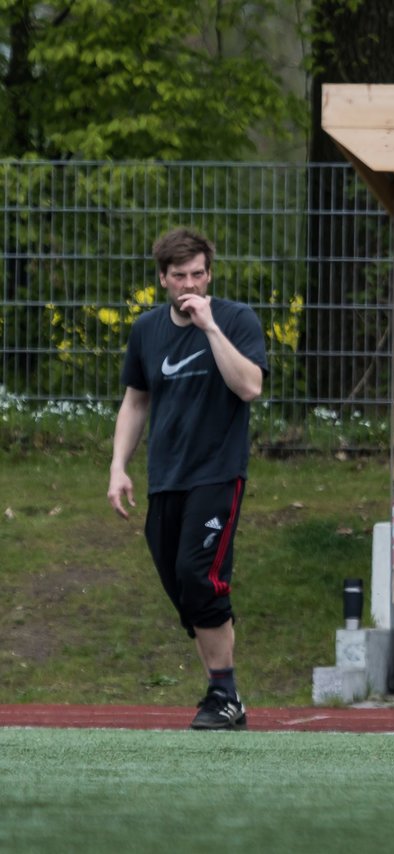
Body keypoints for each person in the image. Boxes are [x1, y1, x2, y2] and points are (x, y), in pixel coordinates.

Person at [107, 227, 267, 731]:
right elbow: (135, 401)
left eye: (198, 274)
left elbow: (249, 387)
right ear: (162, 279)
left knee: (201, 577)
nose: (190, 284)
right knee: (184, 588)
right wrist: (118, 467)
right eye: (180, 276)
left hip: (217, 473)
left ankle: (224, 693)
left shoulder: (236, 320)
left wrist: (210, 328)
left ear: (209, 273)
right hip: (166, 478)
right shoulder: (147, 329)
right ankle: (223, 696)